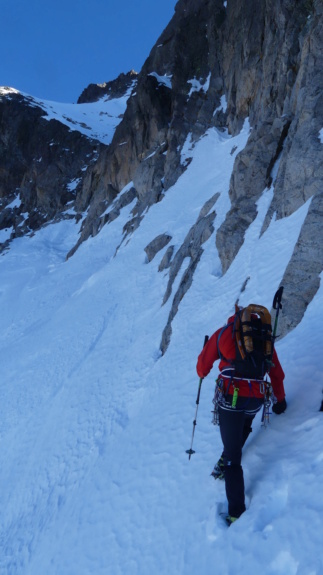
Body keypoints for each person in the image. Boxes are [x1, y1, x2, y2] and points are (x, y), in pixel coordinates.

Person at [196, 306, 287, 525]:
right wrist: (280, 402)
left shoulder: (225, 333)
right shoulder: (264, 340)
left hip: (230, 398)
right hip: (256, 399)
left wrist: (204, 363)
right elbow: (276, 374)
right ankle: (226, 457)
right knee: (244, 425)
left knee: (233, 460)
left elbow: (202, 368)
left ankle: (236, 511)